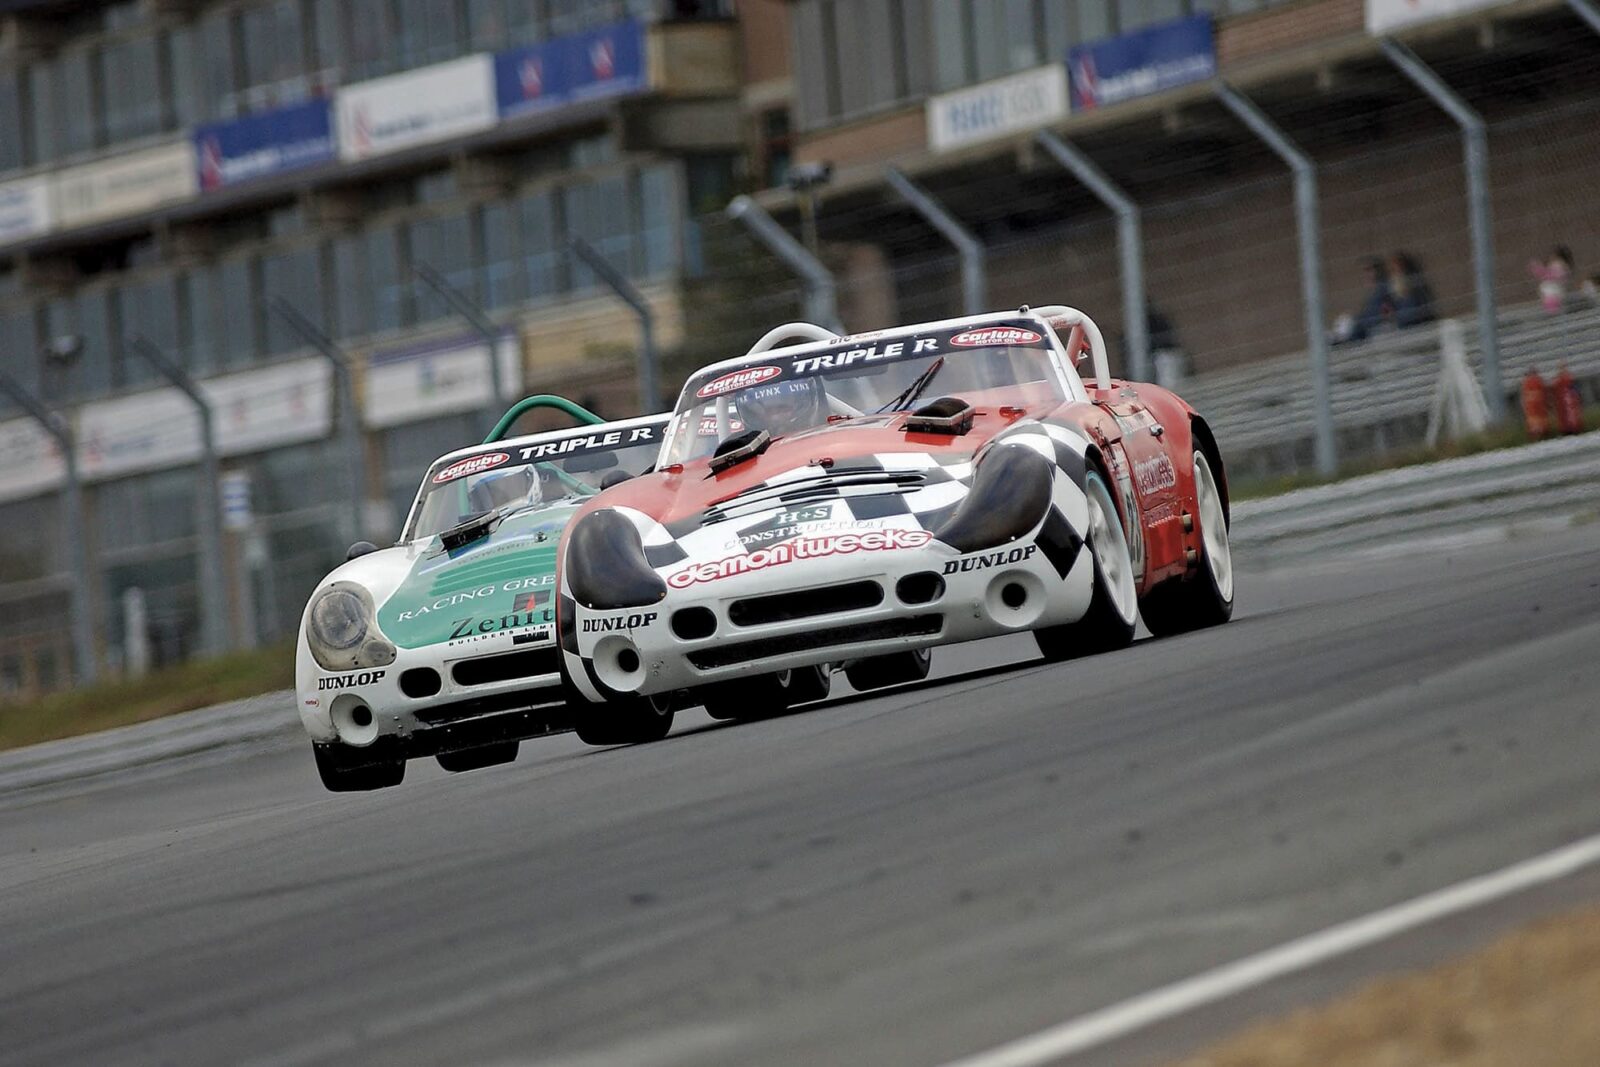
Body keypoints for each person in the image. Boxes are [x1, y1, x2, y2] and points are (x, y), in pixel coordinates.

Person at [733, 376, 829, 437]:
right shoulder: (743, 455)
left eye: (783, 409)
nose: (776, 417)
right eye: (770, 411)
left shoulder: (830, 439)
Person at [1332, 258, 1392, 344]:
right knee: (1345, 321)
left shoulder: (1383, 288)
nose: (1366, 274)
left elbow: (1383, 311)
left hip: (1372, 326)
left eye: (1368, 270)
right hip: (1364, 325)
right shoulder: (1375, 291)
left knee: (1351, 327)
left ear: (1377, 270)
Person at [1387, 251, 1435, 329]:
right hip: (1404, 323)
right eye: (1394, 267)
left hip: (1417, 322)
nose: (1397, 269)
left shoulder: (1413, 281)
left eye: (1398, 265)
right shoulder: (1393, 284)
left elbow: (1422, 303)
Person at [1529, 246, 1574, 314]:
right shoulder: (1556, 264)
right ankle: (1552, 311)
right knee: (1549, 303)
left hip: (1554, 290)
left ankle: (1553, 312)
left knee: (1552, 304)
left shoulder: (1561, 265)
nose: (1552, 257)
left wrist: (1541, 270)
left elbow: (1555, 275)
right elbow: (1547, 274)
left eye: (1554, 256)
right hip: (1550, 290)